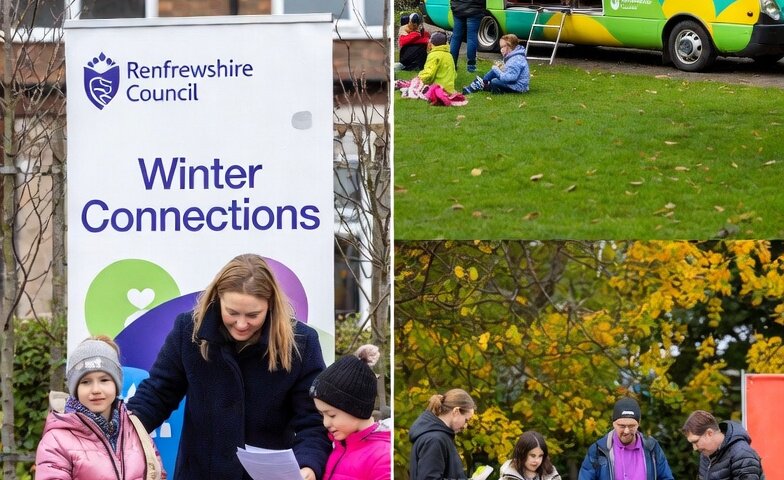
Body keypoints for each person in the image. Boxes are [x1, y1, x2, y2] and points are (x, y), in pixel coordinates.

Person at [127, 253, 330, 480]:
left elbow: (314, 421)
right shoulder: (189, 331)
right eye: (232, 313)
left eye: (253, 315)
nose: (241, 324)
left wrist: (308, 466)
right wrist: (120, 432)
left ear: (271, 305)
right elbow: (158, 393)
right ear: (217, 299)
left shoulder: (301, 343)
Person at [35, 336, 166, 479]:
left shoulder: (136, 429)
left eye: (104, 380)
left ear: (116, 384)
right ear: (75, 388)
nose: (96, 389)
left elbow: (158, 474)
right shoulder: (56, 440)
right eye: (86, 382)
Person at [309, 344, 391, 480]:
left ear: (355, 408)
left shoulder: (382, 457)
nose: (325, 423)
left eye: (331, 415)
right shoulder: (335, 445)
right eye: (322, 414)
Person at [578, 397, 674, 480]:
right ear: (613, 423)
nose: (627, 431)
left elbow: (666, 477)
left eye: (632, 426)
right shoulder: (598, 450)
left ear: (638, 423)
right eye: (622, 426)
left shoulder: (652, 447)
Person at [409, 388, 476, 480]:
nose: (465, 426)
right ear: (456, 411)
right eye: (466, 420)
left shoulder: (439, 436)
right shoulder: (434, 439)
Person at [682, 410, 765, 480]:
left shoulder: (742, 454)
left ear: (709, 433)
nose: (695, 448)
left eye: (696, 441)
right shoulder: (706, 453)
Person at [462, 34, 530, 94]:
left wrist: (496, 70)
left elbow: (510, 78)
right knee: (494, 73)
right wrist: (501, 69)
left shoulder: (515, 60)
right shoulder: (514, 56)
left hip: (518, 87)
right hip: (514, 83)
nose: (501, 50)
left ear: (510, 46)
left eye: (503, 46)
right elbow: (510, 72)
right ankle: (483, 82)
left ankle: (482, 85)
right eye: (501, 47)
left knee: (495, 80)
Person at [449, 0, 485, 72]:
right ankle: (471, 68)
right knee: (472, 37)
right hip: (475, 8)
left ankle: (452, 66)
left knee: (456, 37)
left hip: (457, 8)